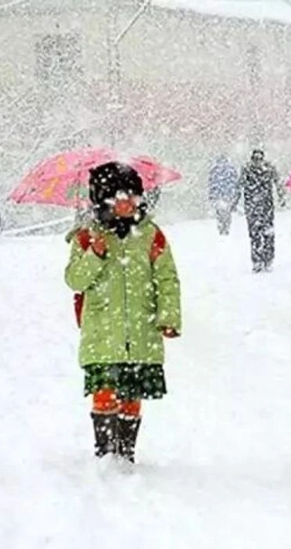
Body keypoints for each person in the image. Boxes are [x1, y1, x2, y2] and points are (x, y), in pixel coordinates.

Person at [65, 162, 182, 464]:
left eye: (133, 197)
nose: (127, 204)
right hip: (103, 333)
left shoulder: (151, 235)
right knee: (105, 391)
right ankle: (105, 451)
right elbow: (74, 280)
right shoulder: (86, 238)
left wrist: (168, 316)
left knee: (132, 394)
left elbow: (167, 278)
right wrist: (95, 254)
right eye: (119, 198)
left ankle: (126, 451)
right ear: (102, 200)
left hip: (141, 331)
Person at [238, 149, 282, 272]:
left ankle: (260, 260)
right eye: (256, 158)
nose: (257, 161)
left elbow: (239, 186)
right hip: (264, 206)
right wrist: (281, 196)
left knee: (257, 234)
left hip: (255, 206)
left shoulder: (247, 168)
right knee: (264, 233)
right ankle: (265, 260)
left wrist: (236, 202)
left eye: (259, 158)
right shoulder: (268, 168)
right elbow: (278, 183)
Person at [208, 155, 239, 235]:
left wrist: (212, 195)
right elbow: (234, 182)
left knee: (219, 212)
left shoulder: (214, 169)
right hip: (228, 195)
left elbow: (211, 183)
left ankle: (221, 226)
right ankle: (226, 226)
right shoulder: (231, 169)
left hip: (218, 195)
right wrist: (234, 194)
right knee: (227, 212)